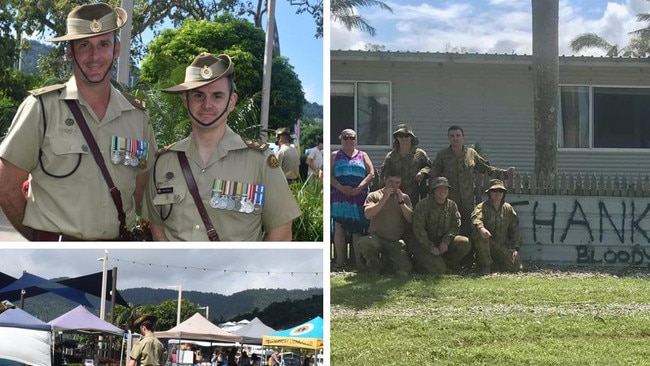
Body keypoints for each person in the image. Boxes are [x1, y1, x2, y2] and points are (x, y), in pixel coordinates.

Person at [0, 3, 156, 241]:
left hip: (115, 249)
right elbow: (6, 183)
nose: (95, 56)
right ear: (70, 52)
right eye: (84, 45)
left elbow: (142, 192)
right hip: (55, 248)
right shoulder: (41, 107)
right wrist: (38, 240)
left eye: (103, 44)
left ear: (116, 49)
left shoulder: (137, 117)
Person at [141, 52, 301, 241]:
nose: (207, 104)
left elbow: (281, 232)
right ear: (186, 100)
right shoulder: (163, 162)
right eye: (198, 95)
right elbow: (157, 227)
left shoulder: (260, 160)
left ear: (231, 102)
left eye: (217, 96)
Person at [432, 125, 515, 236]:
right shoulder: (442, 155)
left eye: (458, 135)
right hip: (449, 200)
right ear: (448, 138)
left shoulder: (471, 154)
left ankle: (468, 253)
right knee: (448, 230)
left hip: (467, 200)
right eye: (452, 136)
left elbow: (485, 168)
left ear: (463, 137)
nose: (455, 138)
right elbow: (434, 176)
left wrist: (503, 173)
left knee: (467, 230)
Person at [331, 128, 375, 270]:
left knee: (357, 228)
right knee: (339, 227)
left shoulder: (363, 155)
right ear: (341, 139)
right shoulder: (335, 155)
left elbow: (371, 173)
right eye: (346, 137)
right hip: (340, 195)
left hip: (359, 195)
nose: (349, 140)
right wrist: (341, 187)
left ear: (356, 139)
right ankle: (339, 261)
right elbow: (328, 175)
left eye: (352, 137)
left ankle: (358, 262)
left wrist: (359, 188)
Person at [356, 170, 413, 276]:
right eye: (391, 181)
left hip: (395, 240)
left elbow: (410, 219)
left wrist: (401, 203)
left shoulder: (404, 197)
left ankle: (387, 263)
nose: (394, 185)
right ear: (384, 180)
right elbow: (367, 214)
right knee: (367, 243)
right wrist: (383, 199)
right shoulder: (374, 195)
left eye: (397, 183)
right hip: (376, 237)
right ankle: (374, 268)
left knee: (405, 271)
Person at [411, 177, 471, 275]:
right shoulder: (423, 205)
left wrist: (446, 242)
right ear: (433, 191)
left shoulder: (452, 205)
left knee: (464, 243)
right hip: (424, 244)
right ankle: (422, 264)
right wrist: (430, 247)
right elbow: (418, 230)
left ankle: (446, 263)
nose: (443, 191)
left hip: (441, 242)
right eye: (439, 188)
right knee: (439, 271)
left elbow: (455, 225)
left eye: (445, 188)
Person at [471, 179, 524, 275]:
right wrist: (481, 229)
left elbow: (515, 228)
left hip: (501, 246)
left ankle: (495, 265)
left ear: (504, 194)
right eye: (494, 191)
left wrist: (515, 248)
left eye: (500, 191)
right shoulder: (482, 207)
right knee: (481, 236)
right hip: (486, 244)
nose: (498, 193)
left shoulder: (507, 208)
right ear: (489, 193)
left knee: (516, 267)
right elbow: (475, 218)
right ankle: (485, 266)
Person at [380, 124, 432, 206]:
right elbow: (383, 176)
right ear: (397, 138)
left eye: (407, 135)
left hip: (414, 196)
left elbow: (430, 168)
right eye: (400, 136)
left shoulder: (420, 154)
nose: (404, 138)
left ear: (411, 137)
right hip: (395, 195)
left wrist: (422, 172)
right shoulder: (391, 156)